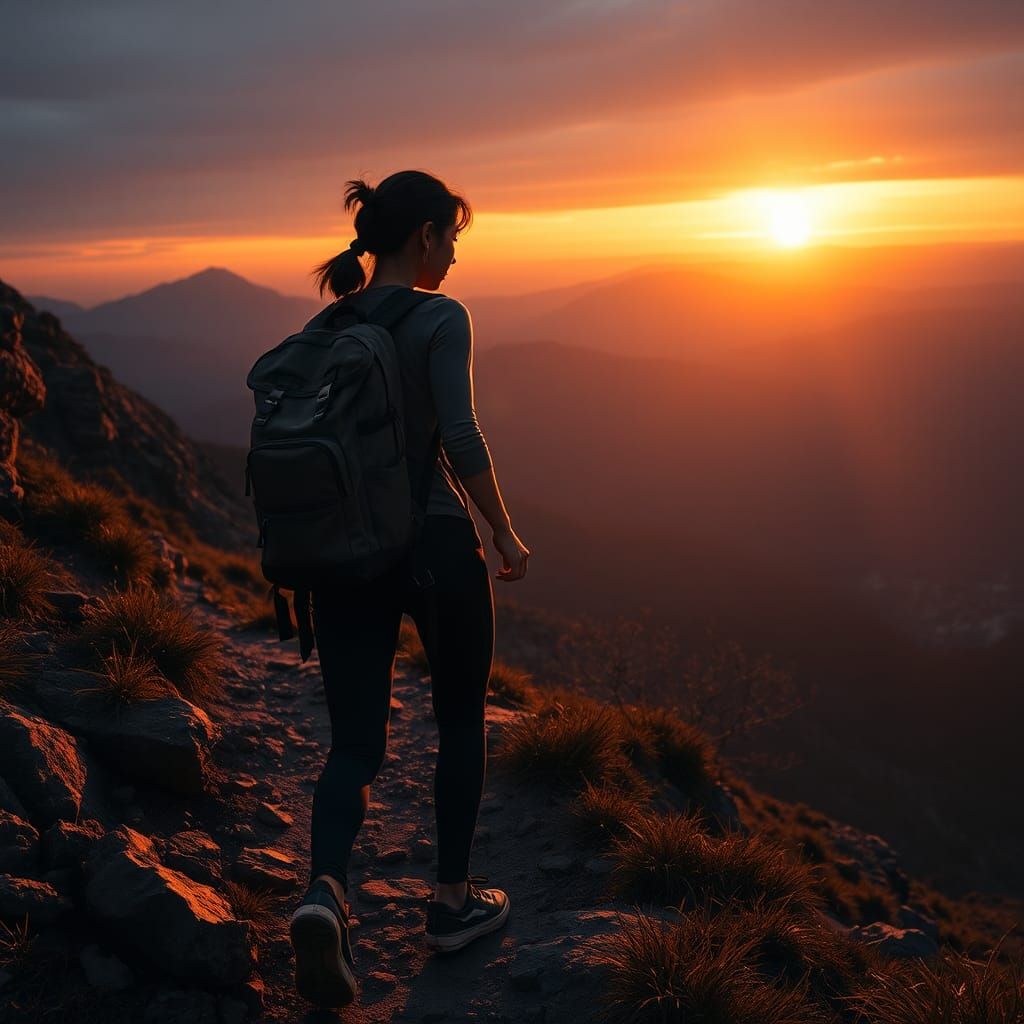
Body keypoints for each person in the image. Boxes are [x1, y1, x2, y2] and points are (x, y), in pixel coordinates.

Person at [288, 170, 531, 1008]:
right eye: (453, 237)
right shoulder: (440, 316)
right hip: (431, 543)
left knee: (353, 744)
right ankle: (452, 905)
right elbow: (459, 433)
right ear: (425, 236)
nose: (457, 255)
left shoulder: (333, 321)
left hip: (343, 553)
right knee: (461, 715)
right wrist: (502, 528)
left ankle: (326, 893)